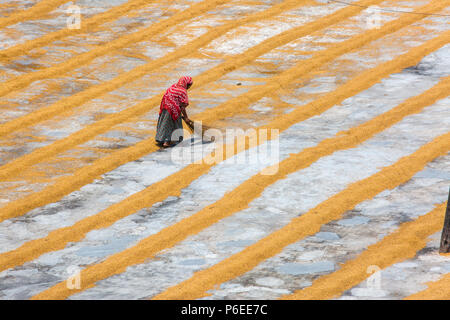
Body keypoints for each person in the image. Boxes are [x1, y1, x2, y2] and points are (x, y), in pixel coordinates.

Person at [155, 76, 193, 148]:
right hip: (173, 110)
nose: (189, 87)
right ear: (186, 84)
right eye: (189, 85)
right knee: (172, 125)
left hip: (165, 107)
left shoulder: (173, 86)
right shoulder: (183, 91)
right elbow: (182, 106)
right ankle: (167, 142)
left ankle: (161, 139)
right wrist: (186, 117)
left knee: (165, 123)